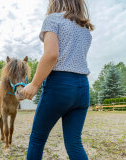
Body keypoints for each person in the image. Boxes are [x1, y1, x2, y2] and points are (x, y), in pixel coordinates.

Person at [21, 0, 94, 159]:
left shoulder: (53, 19)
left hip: (60, 85)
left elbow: (51, 55)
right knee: (74, 143)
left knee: (37, 139)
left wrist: (34, 84)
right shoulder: (85, 29)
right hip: (82, 88)